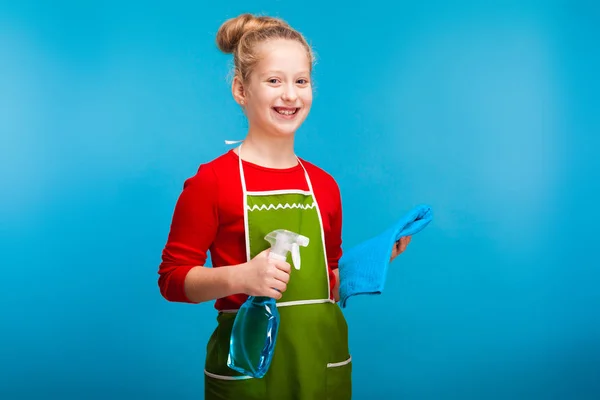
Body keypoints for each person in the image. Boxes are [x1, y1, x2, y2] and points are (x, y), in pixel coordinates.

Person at [157, 13, 412, 400]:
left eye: (301, 81)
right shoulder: (211, 182)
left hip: (321, 361)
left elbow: (325, 283)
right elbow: (172, 280)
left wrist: (375, 261)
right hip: (249, 370)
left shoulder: (324, 186)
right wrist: (241, 278)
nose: (290, 94)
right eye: (274, 80)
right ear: (241, 90)